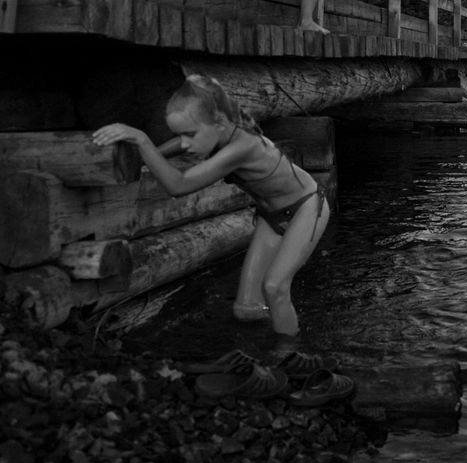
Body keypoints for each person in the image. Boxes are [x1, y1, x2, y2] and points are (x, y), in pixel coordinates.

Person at [92, 74, 328, 336]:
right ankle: (277, 329)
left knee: (275, 287)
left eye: (190, 135)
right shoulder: (220, 129)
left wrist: (142, 141)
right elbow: (179, 145)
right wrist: (144, 157)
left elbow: (178, 186)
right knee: (246, 309)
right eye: (180, 134)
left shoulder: (243, 146)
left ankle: (290, 355)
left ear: (217, 123)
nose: (184, 143)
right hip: (271, 215)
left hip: (306, 207)